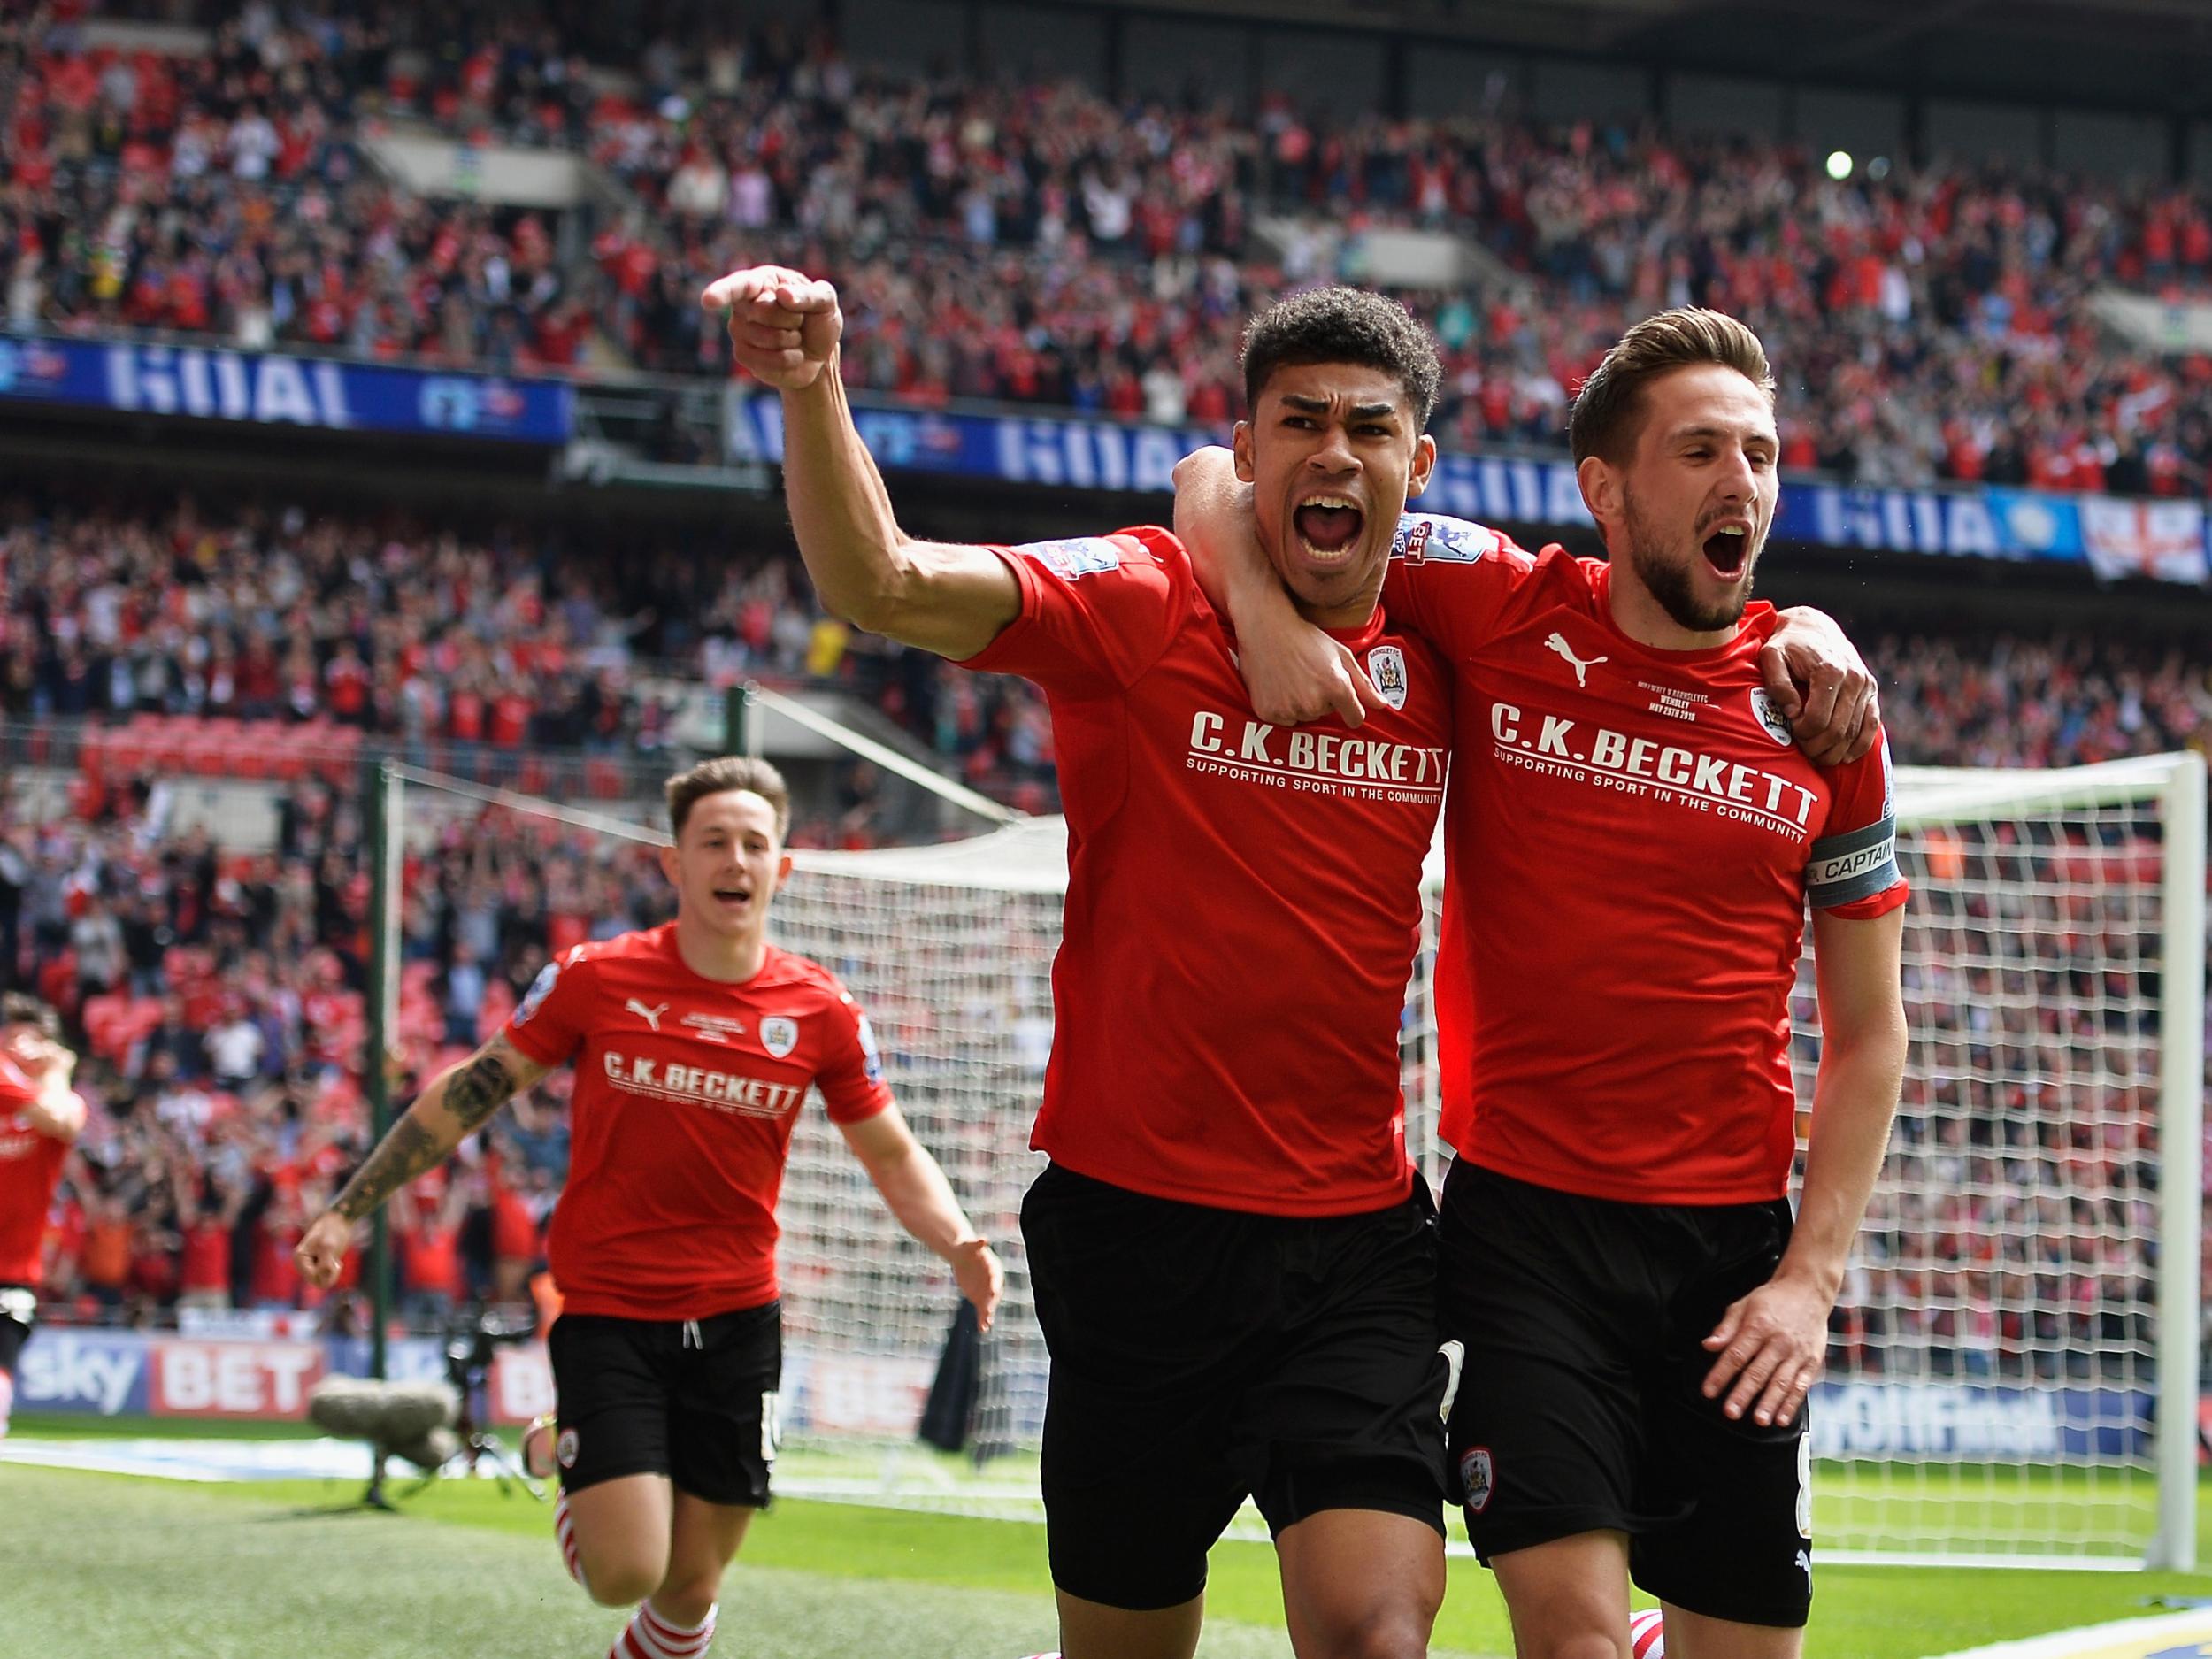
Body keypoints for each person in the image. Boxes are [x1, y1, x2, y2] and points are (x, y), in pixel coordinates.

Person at [702, 265, 1873, 1659]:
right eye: (1299, 423)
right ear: (1253, 453)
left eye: (1369, 428)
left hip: (1356, 1244)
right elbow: (880, 579)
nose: (1337, 451)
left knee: (1381, 1632)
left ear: (1417, 463)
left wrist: (1806, 622)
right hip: (1136, 1229)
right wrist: (811, 381)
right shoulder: (1151, 598)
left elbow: (1679, 603)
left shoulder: (1463, 636)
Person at [1179, 306, 1908, 1659]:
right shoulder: (1500, 601)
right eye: (1700, 450)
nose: (1740, 479)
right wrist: (1268, 618)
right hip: (1526, 1238)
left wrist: (1809, 1278)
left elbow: (1870, 1035)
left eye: (1759, 453)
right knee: (1566, 1640)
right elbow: (1219, 483)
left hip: (1731, 1251)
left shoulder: (1823, 715)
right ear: (1604, 488)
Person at [297, 756, 1002, 1659]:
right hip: (612, 1314)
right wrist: (348, 1209)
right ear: (673, 863)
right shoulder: (595, 979)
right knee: (626, 1573)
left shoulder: (820, 1011)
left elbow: (892, 1152)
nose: (735, 860)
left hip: (740, 1323)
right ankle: (562, 1453)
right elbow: (471, 1090)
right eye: (714, 841)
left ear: (781, 868)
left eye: (755, 844)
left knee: (689, 1592)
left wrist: (957, 1239)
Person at [0, 991, 88, 1438]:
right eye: (13, 1038)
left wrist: (54, 1074)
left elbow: (67, 1119)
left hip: (13, 1271)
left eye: (32, 1042)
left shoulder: (52, 1105)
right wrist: (58, 1069)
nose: (20, 1050)